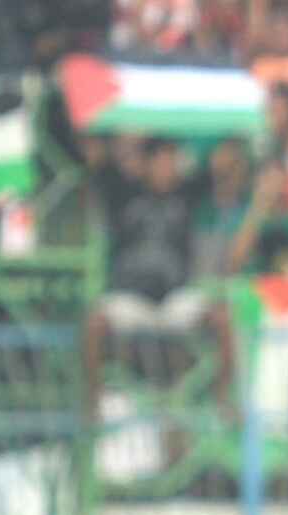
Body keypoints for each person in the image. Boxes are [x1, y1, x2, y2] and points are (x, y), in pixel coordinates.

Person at [80, 136, 236, 419]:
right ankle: (92, 401)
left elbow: (222, 160)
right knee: (94, 322)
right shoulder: (122, 192)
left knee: (221, 317)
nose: (167, 169)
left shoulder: (186, 194)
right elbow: (94, 152)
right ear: (147, 164)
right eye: (161, 162)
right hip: (131, 298)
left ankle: (222, 397)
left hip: (173, 300)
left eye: (171, 162)